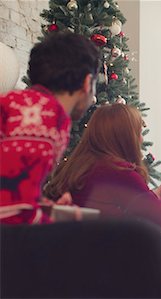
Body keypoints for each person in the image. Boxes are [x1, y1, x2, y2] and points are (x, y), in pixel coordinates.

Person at [44, 103, 161, 232]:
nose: (140, 139)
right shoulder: (119, 172)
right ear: (126, 137)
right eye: (138, 132)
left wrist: (155, 194)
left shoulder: (78, 165)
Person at [0, 32, 100, 224]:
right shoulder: (43, 115)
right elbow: (12, 213)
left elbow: (15, 195)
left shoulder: (17, 103)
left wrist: (46, 207)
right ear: (88, 83)